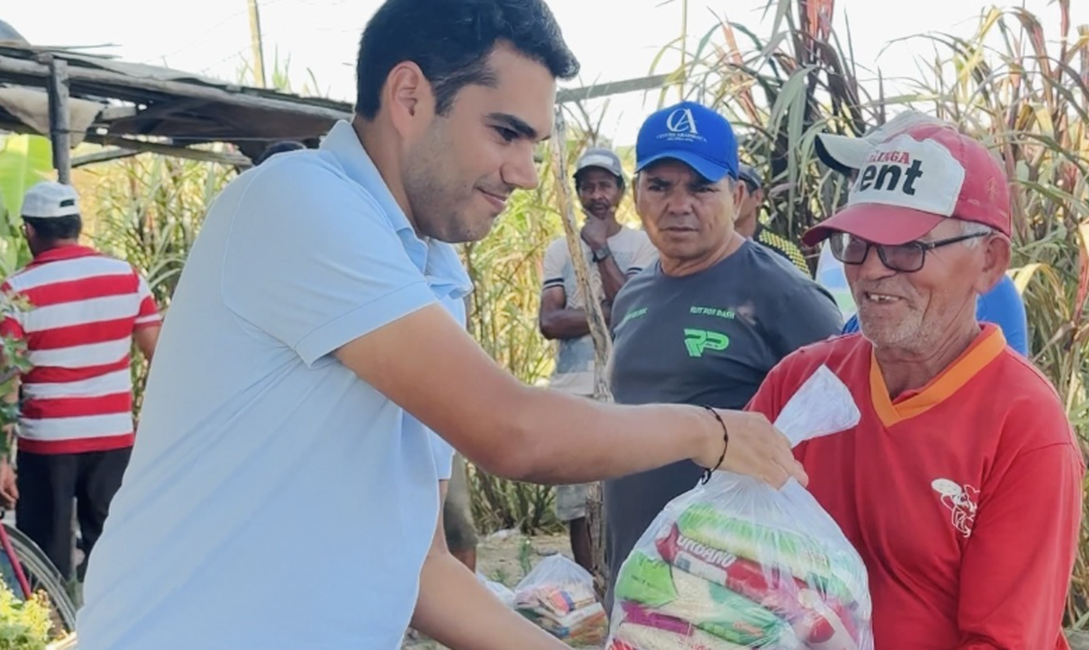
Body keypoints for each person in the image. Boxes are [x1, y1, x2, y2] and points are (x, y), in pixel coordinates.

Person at [74, 2, 807, 649]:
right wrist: (710, 431)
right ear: (409, 96)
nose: (524, 172)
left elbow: (421, 567)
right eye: (506, 133)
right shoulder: (298, 203)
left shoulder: (430, 269)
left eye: (533, 144)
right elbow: (512, 431)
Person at [747, 121, 1083, 648]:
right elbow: (719, 546)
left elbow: (1003, 640)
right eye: (857, 243)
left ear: (989, 261)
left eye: (906, 247)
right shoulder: (798, 383)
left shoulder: (1024, 426)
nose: (871, 270)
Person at [601, 100, 844, 610]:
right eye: (660, 186)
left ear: (736, 196)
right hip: (636, 574)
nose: (678, 204)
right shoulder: (633, 295)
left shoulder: (784, 296)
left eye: (701, 187)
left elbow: (844, 429)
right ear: (637, 194)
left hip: (729, 595)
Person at [0, 181, 161, 583]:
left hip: (48, 444)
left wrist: (2, 457)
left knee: (45, 560)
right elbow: (160, 357)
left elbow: (7, 382)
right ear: (77, 225)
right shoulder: (127, 277)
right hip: (113, 437)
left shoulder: (16, 292)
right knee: (114, 553)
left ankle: (57, 620)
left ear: (29, 230)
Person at [814, 110, 1030, 354]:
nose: (858, 186)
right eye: (855, 176)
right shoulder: (847, 254)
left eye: (908, 246)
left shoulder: (979, 288)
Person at [539, 146, 655, 572]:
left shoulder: (642, 245)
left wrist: (601, 250)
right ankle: (591, 590)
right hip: (571, 390)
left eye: (605, 185)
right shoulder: (559, 250)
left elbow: (631, 305)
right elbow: (549, 322)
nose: (596, 195)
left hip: (626, 384)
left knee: (628, 491)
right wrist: (605, 311)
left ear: (621, 191)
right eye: (587, 187)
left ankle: (628, 584)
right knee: (578, 502)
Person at [730, 163, 809, 275]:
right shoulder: (708, 246)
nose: (729, 200)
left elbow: (804, 285)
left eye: (737, 192)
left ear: (758, 197)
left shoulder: (784, 252)